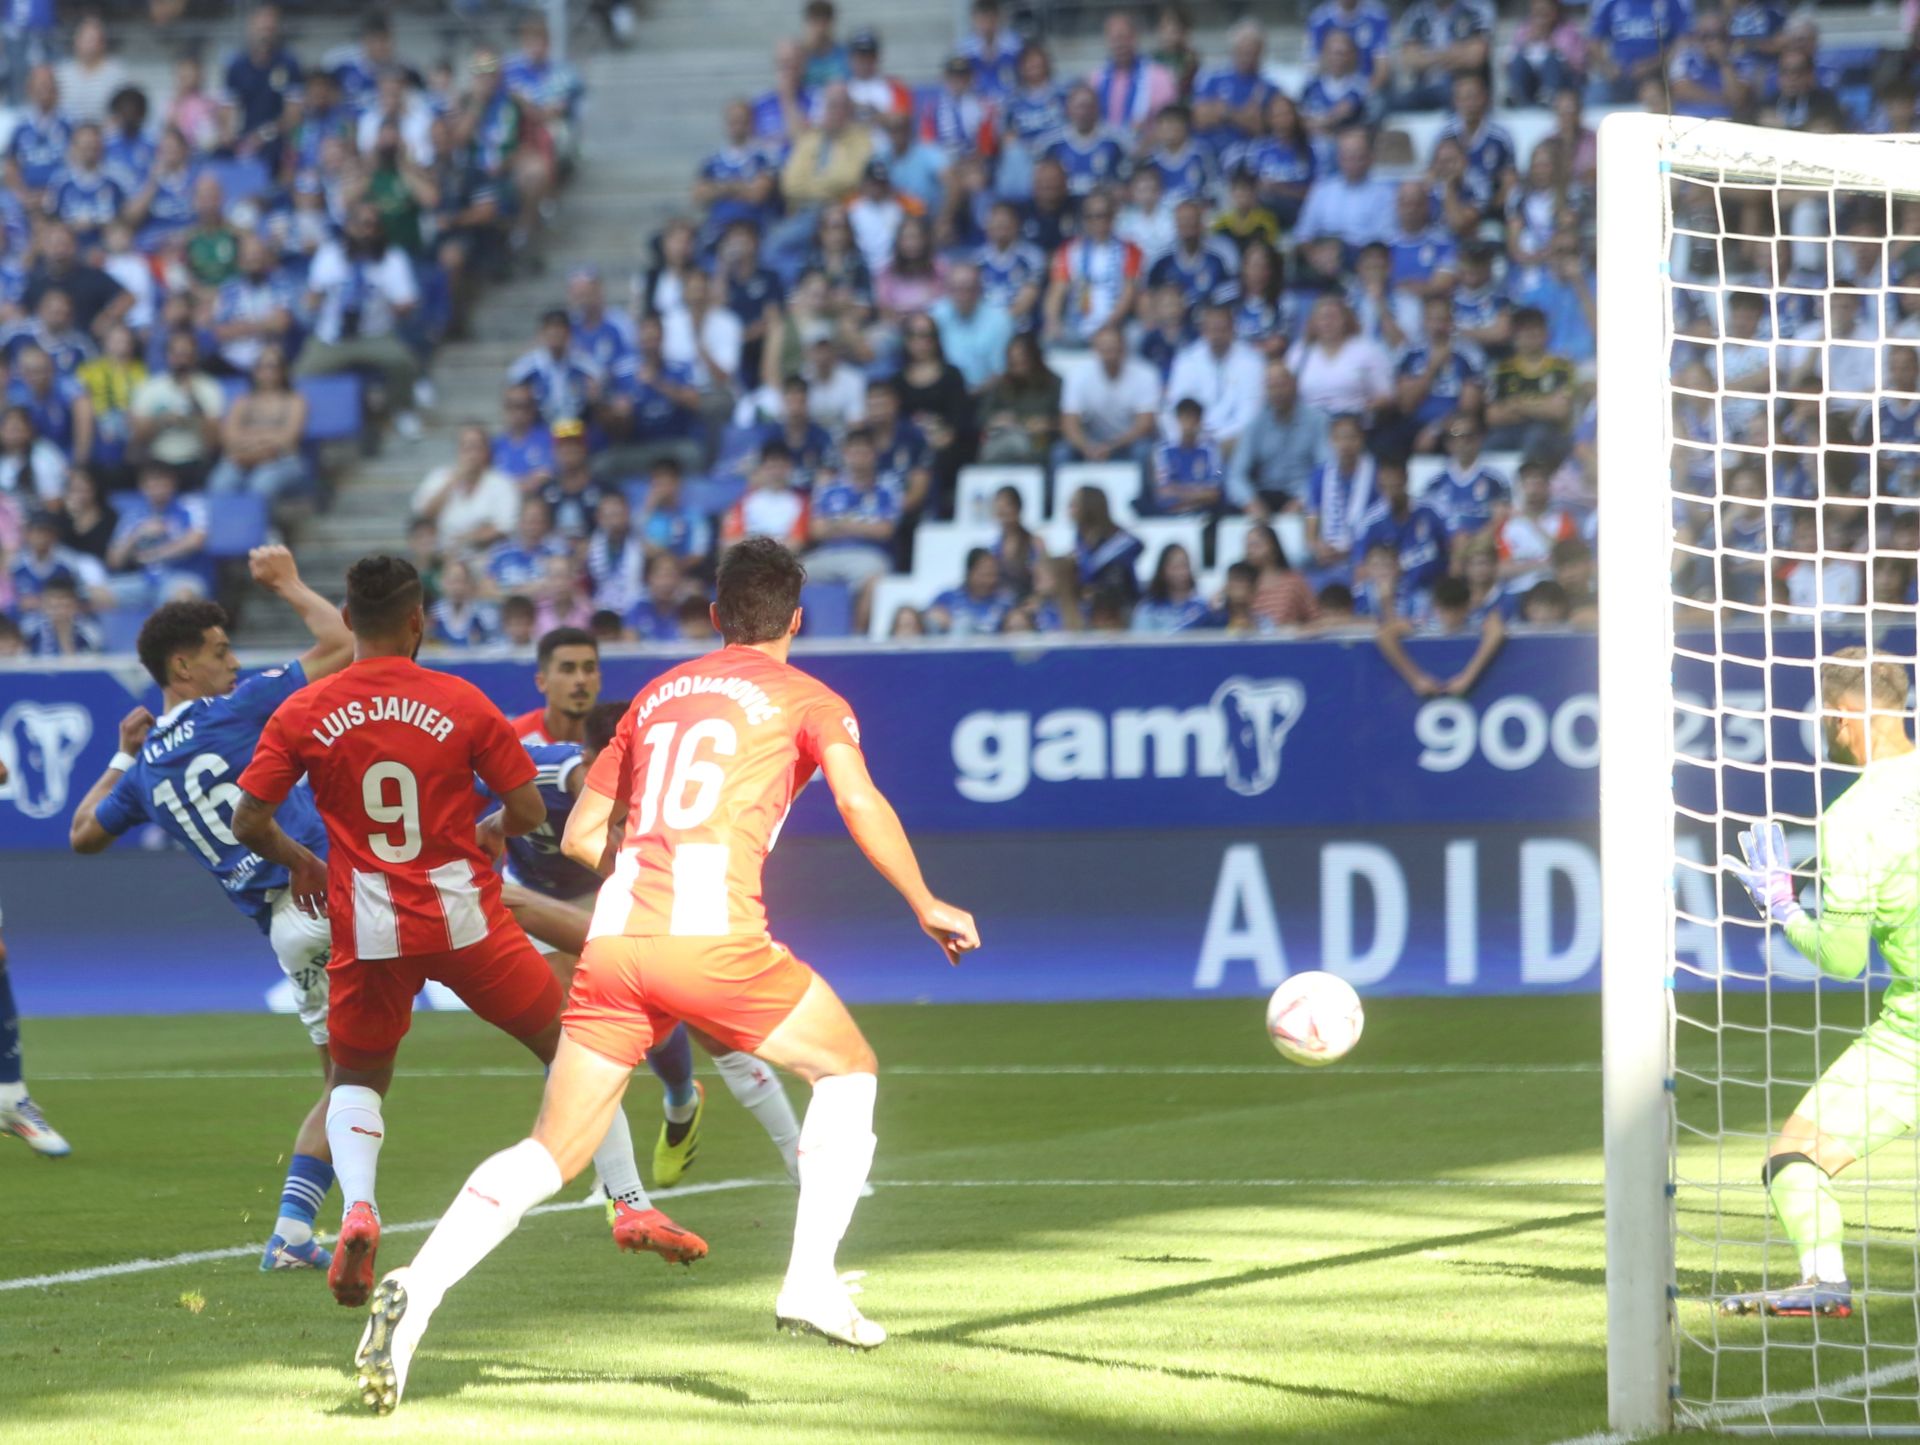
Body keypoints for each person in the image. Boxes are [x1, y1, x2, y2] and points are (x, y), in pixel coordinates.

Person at [349, 538, 981, 1412]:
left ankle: (418, 1291)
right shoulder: (812, 698)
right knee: (849, 1068)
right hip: (712, 934)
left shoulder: (653, 695)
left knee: (553, 1150)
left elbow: (575, 840)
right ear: (796, 618)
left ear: (716, 616)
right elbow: (859, 799)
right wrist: (925, 899)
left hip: (614, 940)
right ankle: (809, 1280)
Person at [230, 555, 673, 1312]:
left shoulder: (304, 710)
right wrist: (498, 825)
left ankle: (360, 1209)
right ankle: (628, 1200)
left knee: (356, 1079)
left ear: (348, 615)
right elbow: (531, 811)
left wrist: (301, 858)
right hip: (464, 917)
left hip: (367, 925)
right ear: (416, 620)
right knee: (571, 1048)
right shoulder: (461, 701)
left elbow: (247, 820)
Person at [69, 547, 355, 1266]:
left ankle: (293, 1232)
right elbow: (345, 643)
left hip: (286, 928)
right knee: (480, 914)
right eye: (220, 651)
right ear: (181, 668)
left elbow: (82, 836)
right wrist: (289, 581)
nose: (234, 662)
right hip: (325, 892)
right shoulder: (237, 708)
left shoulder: (144, 774)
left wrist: (120, 755)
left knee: (345, 1080)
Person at [1719, 649, 1920, 1319]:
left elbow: (1841, 959)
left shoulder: (1850, 819)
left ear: (1839, 716)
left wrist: (1787, 909)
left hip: (1912, 1036)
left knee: (1792, 1158)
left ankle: (1823, 1277)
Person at [1163, 298, 1266, 451]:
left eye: (1222, 329)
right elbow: (1176, 406)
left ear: (1233, 329)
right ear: (1203, 330)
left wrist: (1218, 441)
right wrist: (1194, 437)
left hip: (1234, 443)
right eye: (1211, 329)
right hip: (1193, 440)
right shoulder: (1187, 359)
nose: (1216, 335)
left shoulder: (1252, 361)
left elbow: (1249, 415)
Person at [208, 345, 309, 501]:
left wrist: (251, 438)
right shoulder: (242, 401)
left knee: (261, 485)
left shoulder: (295, 401)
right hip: (241, 456)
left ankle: (259, 525)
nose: (266, 372)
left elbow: (288, 439)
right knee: (220, 483)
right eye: (261, 366)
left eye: (272, 367)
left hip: (281, 460)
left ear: (283, 371)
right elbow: (230, 438)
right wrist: (264, 441)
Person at [1057, 324, 1161, 467]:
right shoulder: (1078, 375)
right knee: (1061, 452)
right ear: (1095, 349)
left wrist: (1111, 446)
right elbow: (1069, 423)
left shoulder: (1145, 374)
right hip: (1090, 442)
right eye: (1104, 348)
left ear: (1123, 348)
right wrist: (1087, 447)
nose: (1109, 353)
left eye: (1113, 347)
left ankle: (1141, 490)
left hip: (1128, 443)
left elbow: (1145, 425)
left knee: (1143, 450)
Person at [412, 424, 519, 556]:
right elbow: (424, 514)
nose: (471, 454)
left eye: (476, 447)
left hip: (486, 555)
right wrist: (454, 480)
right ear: (458, 450)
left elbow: (504, 527)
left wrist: (468, 538)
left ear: (486, 452)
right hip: (444, 556)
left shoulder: (502, 483)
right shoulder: (439, 477)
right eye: (466, 447)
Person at [512, 626, 602, 745]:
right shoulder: (514, 739)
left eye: (589, 669)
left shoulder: (618, 740)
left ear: (599, 680)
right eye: (568, 670)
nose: (581, 680)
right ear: (542, 682)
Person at [1150, 397, 1223, 515]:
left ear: (1200, 421)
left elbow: (1213, 493)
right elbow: (1163, 492)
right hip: (1169, 512)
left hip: (1202, 512)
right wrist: (1197, 492)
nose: (1189, 424)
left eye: (1194, 419)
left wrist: (1179, 491)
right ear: (1178, 420)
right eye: (1185, 418)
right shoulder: (1163, 450)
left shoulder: (1210, 451)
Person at [1132, 542, 1213, 632]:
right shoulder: (1149, 609)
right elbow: (1140, 641)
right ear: (1163, 570)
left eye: (1185, 566)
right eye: (1175, 567)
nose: (1181, 573)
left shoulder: (1202, 606)